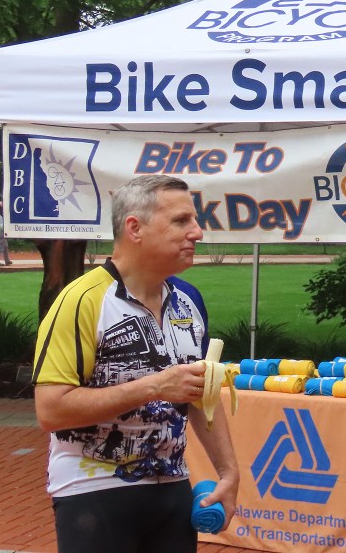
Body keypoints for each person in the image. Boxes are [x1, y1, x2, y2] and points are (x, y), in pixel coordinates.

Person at [32, 175, 239, 553]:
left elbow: (200, 394)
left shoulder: (188, 300)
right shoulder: (80, 300)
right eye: (181, 221)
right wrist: (156, 387)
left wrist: (228, 472)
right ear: (135, 228)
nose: (198, 232)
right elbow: (50, 410)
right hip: (93, 490)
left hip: (173, 486)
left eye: (194, 220)